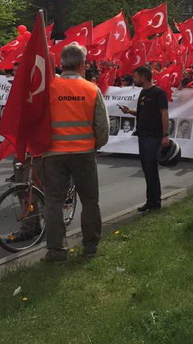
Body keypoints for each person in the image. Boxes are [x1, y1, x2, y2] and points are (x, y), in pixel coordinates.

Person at [42, 44, 108, 262]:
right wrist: (95, 145)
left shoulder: (49, 87)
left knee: (53, 202)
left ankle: (56, 250)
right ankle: (90, 246)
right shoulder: (91, 89)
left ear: (62, 63)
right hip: (84, 153)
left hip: (53, 154)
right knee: (90, 201)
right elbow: (102, 126)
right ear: (82, 64)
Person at [121, 66, 170, 212]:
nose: (134, 80)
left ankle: (155, 202)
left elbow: (164, 113)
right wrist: (129, 111)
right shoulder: (143, 92)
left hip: (153, 137)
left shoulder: (158, 93)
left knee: (151, 169)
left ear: (143, 77)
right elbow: (143, 113)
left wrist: (165, 135)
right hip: (142, 136)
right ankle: (150, 201)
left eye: (136, 77)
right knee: (147, 169)